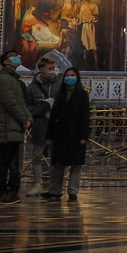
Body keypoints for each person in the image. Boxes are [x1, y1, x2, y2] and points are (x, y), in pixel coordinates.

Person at [0, 50, 32, 204]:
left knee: (7, 160)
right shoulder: (5, 78)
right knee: (3, 161)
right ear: (5, 62)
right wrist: (24, 119)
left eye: (18, 55)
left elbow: (20, 102)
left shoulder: (12, 78)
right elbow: (11, 102)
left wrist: (28, 118)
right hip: (7, 125)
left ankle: (6, 192)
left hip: (12, 125)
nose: (17, 57)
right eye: (13, 56)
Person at [45, 68, 90, 201]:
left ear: (77, 77)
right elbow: (53, 116)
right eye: (67, 75)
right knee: (58, 164)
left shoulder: (82, 94)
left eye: (72, 75)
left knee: (76, 165)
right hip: (60, 134)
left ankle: (72, 191)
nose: (70, 77)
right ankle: (55, 190)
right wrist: (50, 135)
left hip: (76, 134)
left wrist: (84, 136)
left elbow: (85, 116)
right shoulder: (60, 94)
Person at [25, 57, 60, 194]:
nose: (52, 71)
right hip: (40, 125)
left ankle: (54, 185)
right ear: (41, 69)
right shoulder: (32, 88)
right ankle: (37, 184)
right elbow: (27, 107)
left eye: (53, 69)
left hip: (55, 125)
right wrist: (41, 107)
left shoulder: (58, 85)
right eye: (49, 69)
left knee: (55, 156)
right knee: (37, 155)